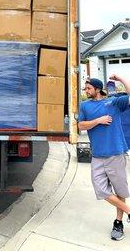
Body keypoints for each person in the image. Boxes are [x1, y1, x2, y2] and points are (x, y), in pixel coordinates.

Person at [78, 74, 130, 241]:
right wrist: (98, 120)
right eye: (85, 88)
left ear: (97, 90)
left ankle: (118, 223)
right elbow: (80, 125)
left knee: (120, 190)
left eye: (88, 88)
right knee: (100, 189)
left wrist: (121, 79)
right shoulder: (85, 106)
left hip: (115, 153)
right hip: (97, 156)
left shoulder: (113, 102)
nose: (86, 91)